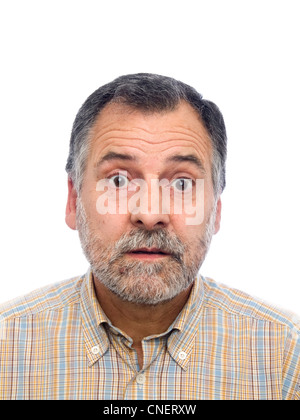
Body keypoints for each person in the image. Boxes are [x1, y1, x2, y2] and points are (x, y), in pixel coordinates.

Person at [0, 74, 299, 400]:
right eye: (117, 180)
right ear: (73, 201)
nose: (150, 213)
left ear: (216, 210)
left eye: (182, 183)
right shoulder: (6, 349)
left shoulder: (286, 358)